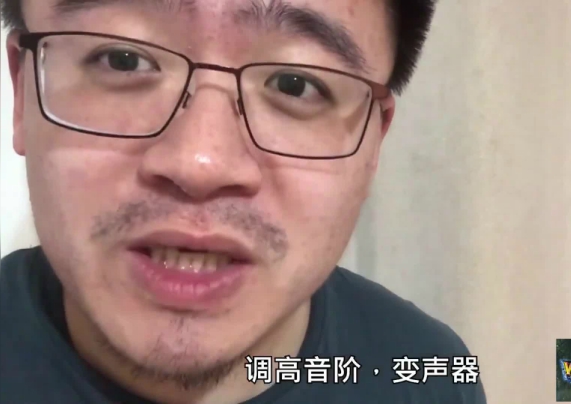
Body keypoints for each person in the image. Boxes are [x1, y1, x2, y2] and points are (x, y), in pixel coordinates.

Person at [0, 0, 487, 403]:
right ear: (23, 92)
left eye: (295, 84)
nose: (200, 163)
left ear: (373, 142)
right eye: (122, 59)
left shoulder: (427, 373)